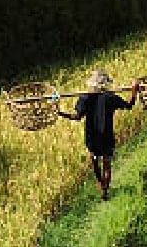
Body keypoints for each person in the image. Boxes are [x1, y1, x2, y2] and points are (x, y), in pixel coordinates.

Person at [57, 70, 141, 201]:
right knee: (107, 164)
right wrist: (134, 90)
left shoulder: (85, 98)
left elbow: (77, 117)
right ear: (106, 84)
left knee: (95, 162)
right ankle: (105, 190)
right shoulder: (111, 97)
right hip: (107, 137)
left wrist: (59, 113)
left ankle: (101, 184)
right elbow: (129, 105)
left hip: (92, 138)